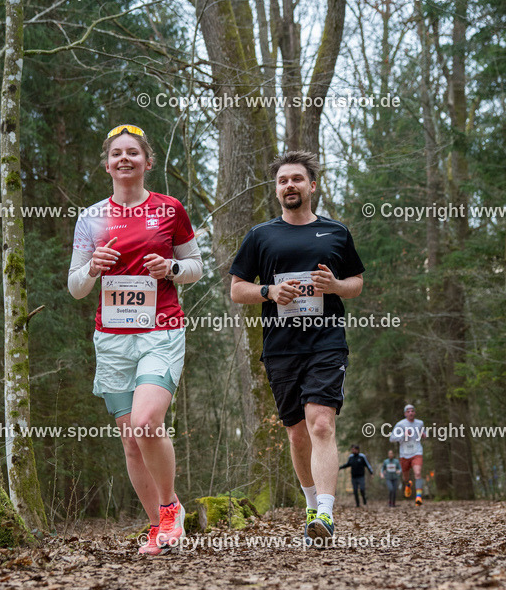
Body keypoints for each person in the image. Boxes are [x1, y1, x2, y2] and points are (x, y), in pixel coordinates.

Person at [68, 124, 203, 555]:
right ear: (107, 163)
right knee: (130, 441)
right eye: (116, 154)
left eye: (133, 153)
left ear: (148, 161)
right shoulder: (91, 217)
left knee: (147, 422)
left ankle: (170, 509)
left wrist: (171, 269)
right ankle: (159, 529)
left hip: (160, 329)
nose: (124, 159)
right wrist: (92, 268)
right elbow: (75, 287)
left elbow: (196, 266)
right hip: (112, 339)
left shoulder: (169, 209)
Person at [229, 150, 365, 542]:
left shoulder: (336, 232)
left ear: (312, 186)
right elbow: (237, 289)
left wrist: (336, 286)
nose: (290, 185)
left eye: (297, 179)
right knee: (297, 434)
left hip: (327, 342)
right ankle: (310, 504)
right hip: (281, 347)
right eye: (283, 180)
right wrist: (270, 291)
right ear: (277, 189)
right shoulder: (260, 235)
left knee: (321, 422)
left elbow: (356, 281)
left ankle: (325, 513)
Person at [389, 404, 426, 506]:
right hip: (404, 454)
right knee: (406, 477)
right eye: (408, 411)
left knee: (418, 473)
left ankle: (418, 498)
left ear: (415, 413)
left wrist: (424, 435)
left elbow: (424, 433)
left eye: (412, 411)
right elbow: (391, 438)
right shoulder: (400, 424)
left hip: (417, 452)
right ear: (405, 414)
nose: (410, 413)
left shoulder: (420, 423)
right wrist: (403, 435)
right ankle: (408, 484)